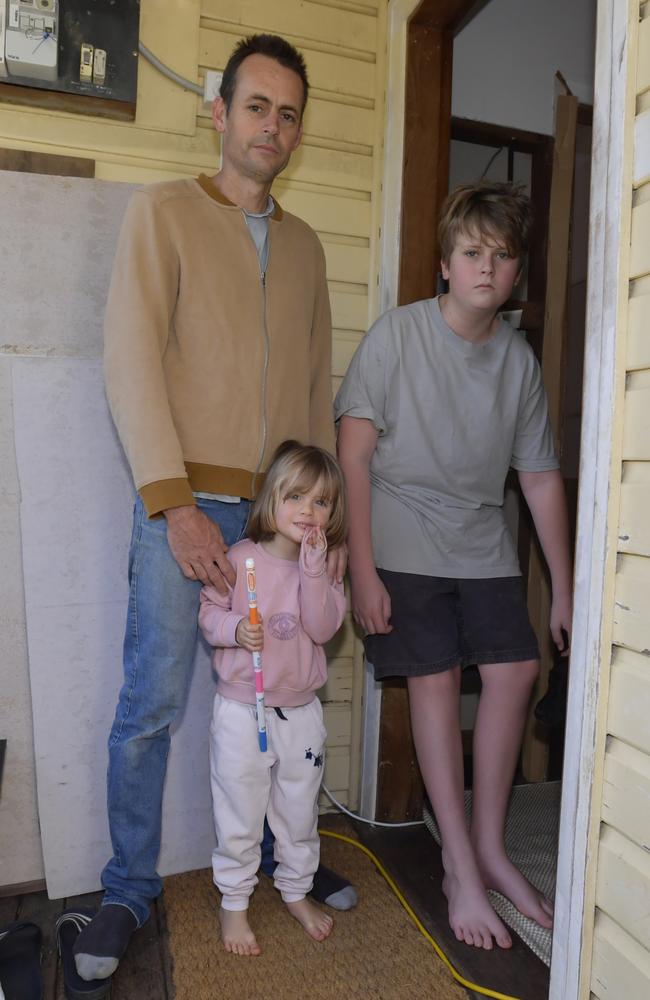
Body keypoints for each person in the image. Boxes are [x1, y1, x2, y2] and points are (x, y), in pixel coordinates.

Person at [71, 33, 354, 985]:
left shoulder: (310, 248)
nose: (272, 125)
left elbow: (315, 393)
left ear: (296, 131)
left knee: (286, 693)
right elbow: (129, 361)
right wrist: (174, 506)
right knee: (152, 704)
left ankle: (287, 862)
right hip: (186, 508)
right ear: (220, 112)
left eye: (287, 112)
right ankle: (125, 888)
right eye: (256, 105)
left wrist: (323, 530)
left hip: (283, 524)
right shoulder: (162, 214)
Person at [335, 182, 572, 951]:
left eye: (503, 257)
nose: (488, 268)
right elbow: (353, 458)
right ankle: (458, 865)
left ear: (515, 275)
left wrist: (565, 589)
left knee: (515, 671)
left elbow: (537, 478)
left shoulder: (519, 362)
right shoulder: (395, 337)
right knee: (433, 678)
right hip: (401, 539)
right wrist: (362, 572)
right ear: (444, 264)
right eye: (473, 253)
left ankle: (492, 847)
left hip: (481, 544)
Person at [199, 440, 347, 955]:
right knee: (239, 812)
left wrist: (313, 571)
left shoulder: (325, 567)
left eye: (322, 503)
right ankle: (234, 903)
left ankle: (295, 891)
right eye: (297, 497)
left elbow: (323, 627)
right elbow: (208, 613)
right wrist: (236, 629)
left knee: (299, 813)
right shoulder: (241, 560)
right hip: (242, 710)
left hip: (301, 711)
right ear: (271, 501)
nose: (308, 511)